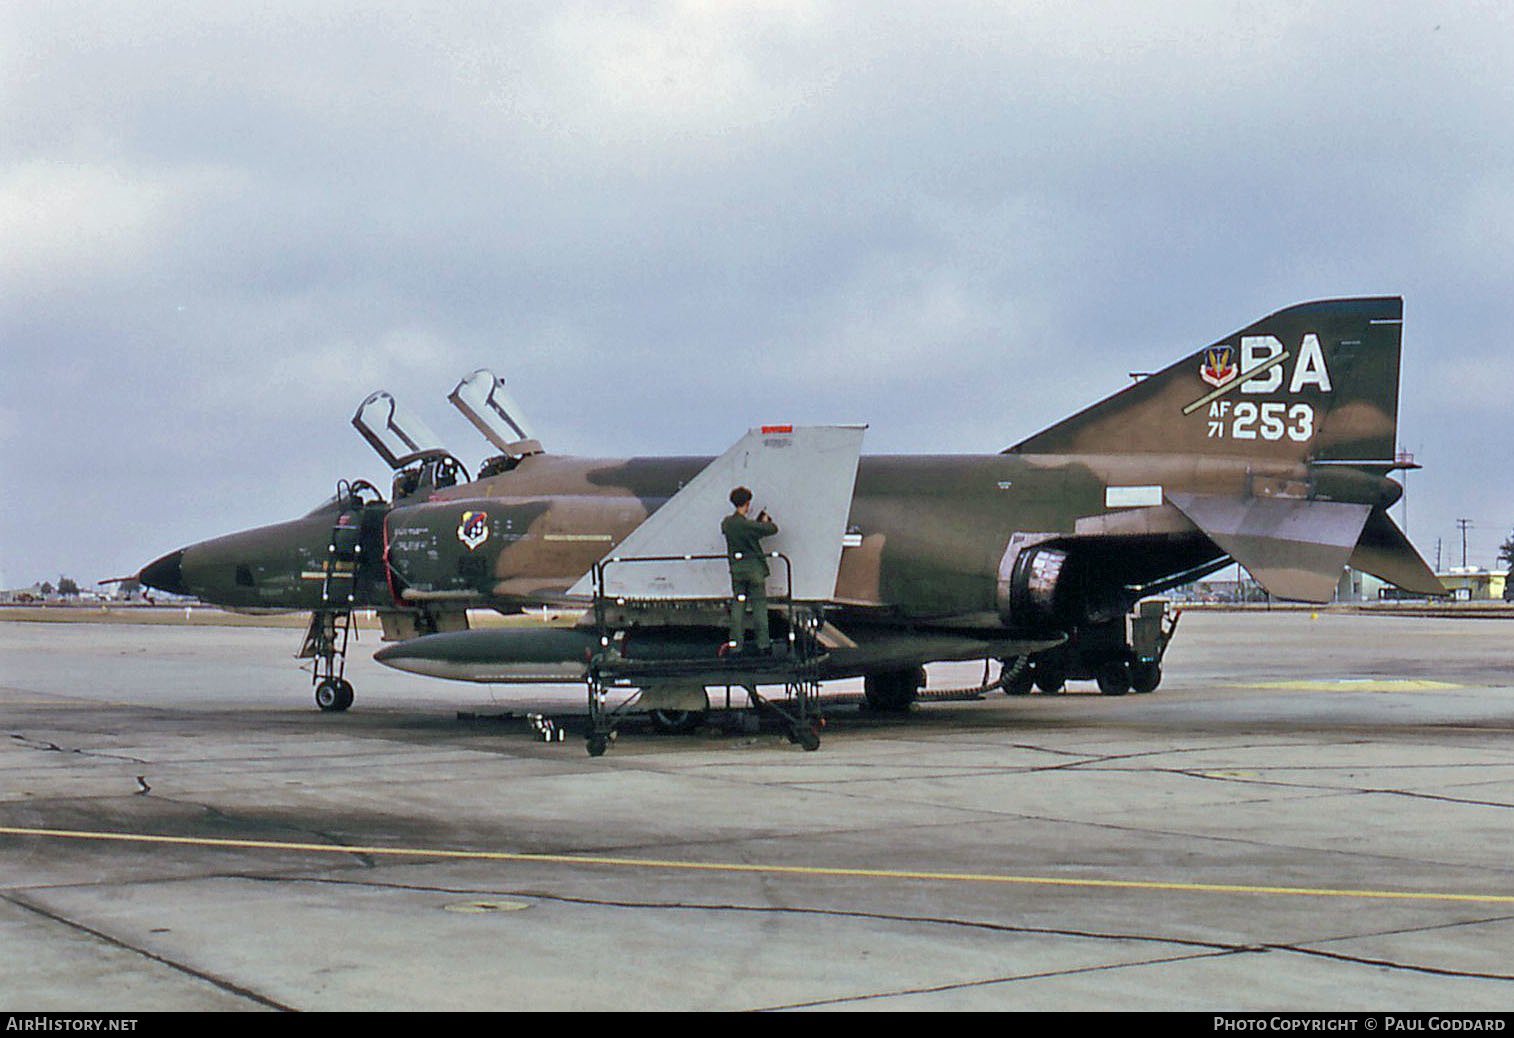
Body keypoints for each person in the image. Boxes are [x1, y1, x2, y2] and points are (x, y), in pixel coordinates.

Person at [721, 486, 778, 654]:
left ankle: (736, 646)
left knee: (738, 609)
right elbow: (772, 529)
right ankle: (763, 645)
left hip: (737, 571)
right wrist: (764, 522)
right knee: (759, 608)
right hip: (754, 571)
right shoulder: (750, 525)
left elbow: (735, 530)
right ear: (747, 503)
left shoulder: (727, 523)